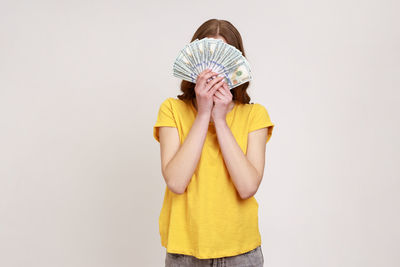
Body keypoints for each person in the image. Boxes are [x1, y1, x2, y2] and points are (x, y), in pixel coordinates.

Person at [153, 18, 274, 267]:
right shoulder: (172, 110)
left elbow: (247, 186)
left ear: (237, 65)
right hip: (185, 253)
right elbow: (176, 182)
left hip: (242, 253)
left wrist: (219, 120)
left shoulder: (255, 115)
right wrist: (203, 114)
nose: (215, 73)